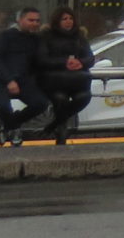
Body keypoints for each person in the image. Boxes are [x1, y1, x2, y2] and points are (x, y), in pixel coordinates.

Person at [0, 7, 50, 147]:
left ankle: (10, 123)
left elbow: (39, 62)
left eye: (37, 21)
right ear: (20, 20)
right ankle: (13, 128)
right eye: (30, 20)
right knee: (2, 106)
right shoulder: (5, 36)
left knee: (41, 103)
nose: (35, 24)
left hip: (23, 81)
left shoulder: (36, 40)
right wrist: (9, 80)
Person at [36, 8, 95, 146]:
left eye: (71, 19)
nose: (68, 22)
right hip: (54, 80)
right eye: (64, 19)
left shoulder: (80, 37)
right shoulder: (46, 36)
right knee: (60, 99)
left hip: (77, 80)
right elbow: (41, 59)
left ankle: (53, 125)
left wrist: (81, 63)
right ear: (57, 21)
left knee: (83, 98)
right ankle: (61, 131)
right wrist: (64, 63)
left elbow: (90, 58)